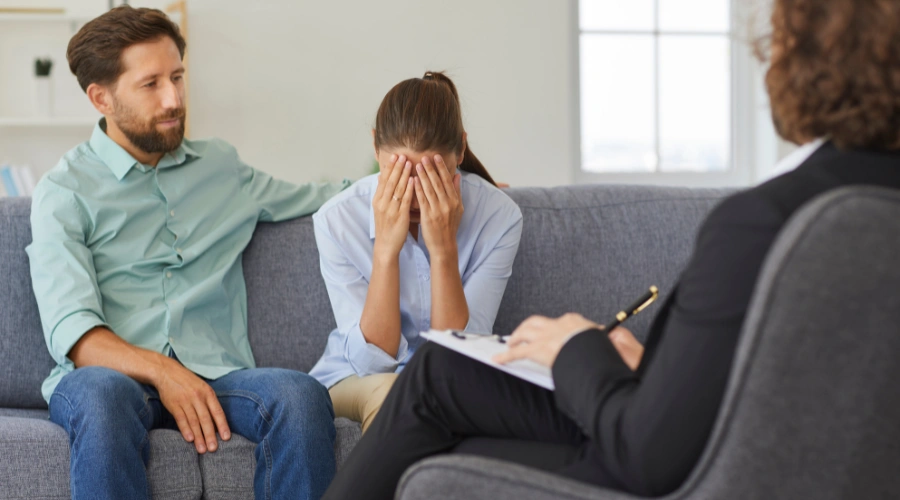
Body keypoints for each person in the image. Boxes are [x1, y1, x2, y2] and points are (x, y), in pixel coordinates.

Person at [321, 0, 900, 497]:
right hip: (736, 437)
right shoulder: (858, 207)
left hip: (684, 465)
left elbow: (650, 450)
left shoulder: (767, 224)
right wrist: (650, 364)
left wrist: (578, 350)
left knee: (434, 381)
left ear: (793, 61)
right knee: (443, 375)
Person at [26, 7, 347, 500]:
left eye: (177, 77)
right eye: (150, 84)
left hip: (219, 375)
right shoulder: (64, 191)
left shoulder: (221, 167)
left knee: (299, 396)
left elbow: (321, 196)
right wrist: (164, 372)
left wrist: (445, 178)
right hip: (112, 381)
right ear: (101, 97)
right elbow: (74, 333)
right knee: (99, 394)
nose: (175, 98)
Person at [308, 71, 523, 433]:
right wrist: (386, 253)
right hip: (354, 378)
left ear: (460, 152)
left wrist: (443, 250)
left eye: (429, 176)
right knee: (396, 393)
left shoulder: (499, 217)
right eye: (398, 173)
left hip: (449, 384)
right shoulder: (338, 220)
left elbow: (457, 358)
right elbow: (371, 363)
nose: (412, 194)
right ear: (376, 147)